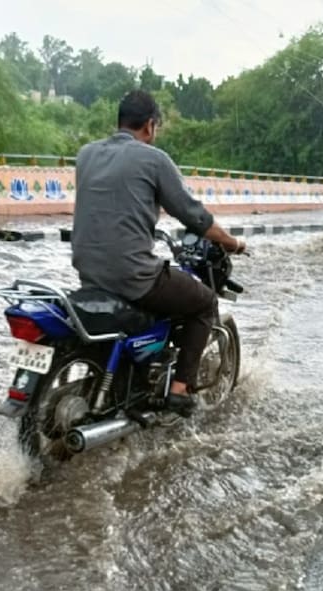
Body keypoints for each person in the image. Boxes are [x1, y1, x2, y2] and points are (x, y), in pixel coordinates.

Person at [71, 90, 246, 417]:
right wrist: (231, 242)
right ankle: (179, 391)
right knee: (204, 302)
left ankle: (135, 379)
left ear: (120, 121)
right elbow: (193, 215)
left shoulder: (86, 154)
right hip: (132, 275)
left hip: (88, 271)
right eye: (157, 127)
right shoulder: (154, 159)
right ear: (150, 125)